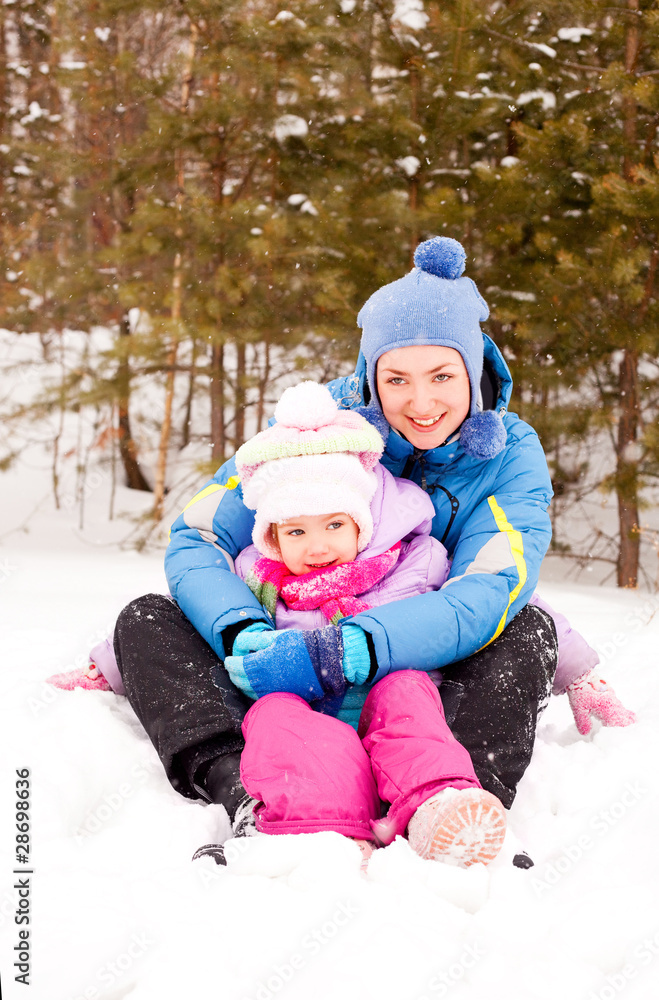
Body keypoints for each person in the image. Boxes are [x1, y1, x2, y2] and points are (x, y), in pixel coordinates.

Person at [50, 236, 635, 858]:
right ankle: (245, 789)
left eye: (442, 376)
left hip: (421, 674)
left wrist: (354, 649)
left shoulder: (509, 454)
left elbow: (488, 592)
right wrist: (242, 632)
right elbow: (200, 535)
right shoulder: (315, 428)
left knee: (527, 630)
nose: (421, 401)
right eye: (396, 378)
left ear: (473, 369)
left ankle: (455, 801)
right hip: (280, 660)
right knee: (148, 616)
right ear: (370, 376)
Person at [213, 378, 507, 868]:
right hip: (310, 712)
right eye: (296, 531)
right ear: (273, 538)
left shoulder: (413, 562)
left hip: (386, 700)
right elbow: (194, 621)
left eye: (334, 526)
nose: (318, 546)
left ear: (360, 525)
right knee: (276, 711)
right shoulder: (255, 578)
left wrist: (579, 668)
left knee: (408, 690)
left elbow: (502, 598)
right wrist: (111, 663)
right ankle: (325, 824)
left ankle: (436, 802)